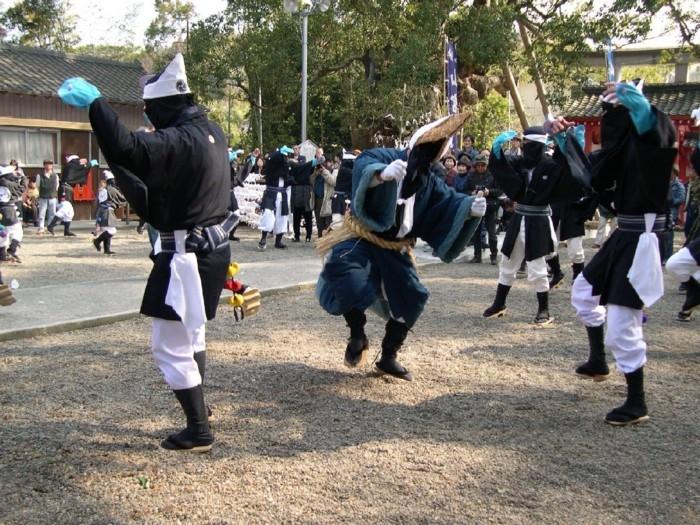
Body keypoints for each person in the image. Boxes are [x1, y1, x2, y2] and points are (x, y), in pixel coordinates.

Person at [59, 52, 235, 452]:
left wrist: (96, 104)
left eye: (152, 110)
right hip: (210, 251)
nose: (150, 118)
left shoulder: (179, 139)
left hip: (184, 257)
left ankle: (199, 429)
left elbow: (126, 149)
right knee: (192, 335)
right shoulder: (213, 133)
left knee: (169, 344)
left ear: (167, 105)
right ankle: (201, 415)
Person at [316, 113, 486, 381]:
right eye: (426, 146)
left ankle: (388, 356)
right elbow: (363, 163)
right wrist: (381, 176)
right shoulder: (386, 155)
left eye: (435, 150)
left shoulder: (428, 179)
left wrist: (468, 209)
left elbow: (448, 200)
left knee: (413, 297)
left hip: (396, 247)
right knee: (345, 275)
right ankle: (357, 335)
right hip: (362, 238)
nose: (427, 154)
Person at [570, 81, 677, 426]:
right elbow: (595, 178)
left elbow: (656, 132)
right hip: (624, 234)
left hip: (642, 238)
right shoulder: (626, 148)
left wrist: (638, 104)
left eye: (617, 112)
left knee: (621, 324)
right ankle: (598, 360)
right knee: (584, 293)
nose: (610, 119)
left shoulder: (651, 144)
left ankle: (636, 402)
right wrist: (564, 144)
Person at [483, 124, 585, 324]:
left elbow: (569, 172)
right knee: (508, 262)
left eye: (530, 143)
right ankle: (499, 303)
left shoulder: (550, 165)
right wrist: (497, 153)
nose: (526, 146)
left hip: (538, 219)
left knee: (537, 265)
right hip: (519, 216)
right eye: (525, 143)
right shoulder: (520, 162)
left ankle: (544, 309)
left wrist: (567, 147)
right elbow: (503, 168)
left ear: (540, 145)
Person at [546, 196, 595, 288]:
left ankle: (578, 277)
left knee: (575, 250)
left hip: (574, 208)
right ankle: (557, 273)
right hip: (553, 205)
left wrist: (588, 207)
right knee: (547, 245)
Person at [466, 153, 502, 264]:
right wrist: (472, 193)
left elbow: (500, 191)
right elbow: (466, 190)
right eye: (479, 165)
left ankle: (494, 255)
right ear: (475, 166)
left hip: (490, 206)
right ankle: (477, 255)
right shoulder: (471, 176)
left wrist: (489, 191)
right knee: (476, 232)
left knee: (492, 233)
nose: (481, 167)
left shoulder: (493, 174)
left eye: (483, 165)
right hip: (476, 207)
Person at [666, 237, 700, 321]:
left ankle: (686, 310)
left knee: (694, 288)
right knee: (695, 288)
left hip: (677, 265)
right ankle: (687, 308)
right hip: (679, 266)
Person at [92, 171, 126, 255]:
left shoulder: (103, 190)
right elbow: (122, 199)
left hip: (102, 211)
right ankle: (97, 241)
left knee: (108, 229)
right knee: (112, 230)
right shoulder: (111, 189)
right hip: (107, 212)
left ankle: (107, 250)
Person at [311, 154, 336, 237]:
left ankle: (328, 241)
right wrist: (315, 173)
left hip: (328, 200)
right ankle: (320, 241)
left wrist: (324, 172)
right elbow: (310, 181)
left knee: (328, 223)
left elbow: (333, 182)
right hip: (317, 200)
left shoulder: (334, 171)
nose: (324, 165)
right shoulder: (317, 171)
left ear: (331, 162)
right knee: (319, 224)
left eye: (325, 163)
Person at [35, 160, 59, 234]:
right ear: (44, 166)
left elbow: (57, 186)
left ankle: (50, 227)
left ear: (52, 166)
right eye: (47, 164)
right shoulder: (39, 175)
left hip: (53, 197)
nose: (48, 166)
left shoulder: (55, 175)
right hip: (43, 197)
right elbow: (37, 186)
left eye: (50, 164)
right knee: (42, 213)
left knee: (52, 213)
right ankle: (41, 228)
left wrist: (54, 193)